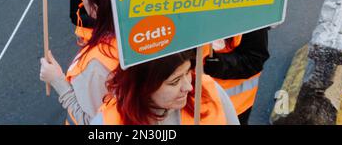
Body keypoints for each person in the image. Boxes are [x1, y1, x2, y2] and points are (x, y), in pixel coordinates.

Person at [40, 0, 120, 125]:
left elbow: (91, 123)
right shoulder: (141, 38)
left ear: (95, 10)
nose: (81, 1)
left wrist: (57, 81)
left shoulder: (97, 64)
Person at [91, 50, 240, 125]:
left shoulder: (207, 89)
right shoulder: (108, 122)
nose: (188, 87)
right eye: (174, 81)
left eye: (187, 72)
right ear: (143, 87)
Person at [203, 28, 270, 125]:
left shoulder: (250, 15)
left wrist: (219, 64)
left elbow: (255, 60)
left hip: (232, 108)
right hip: (186, 106)